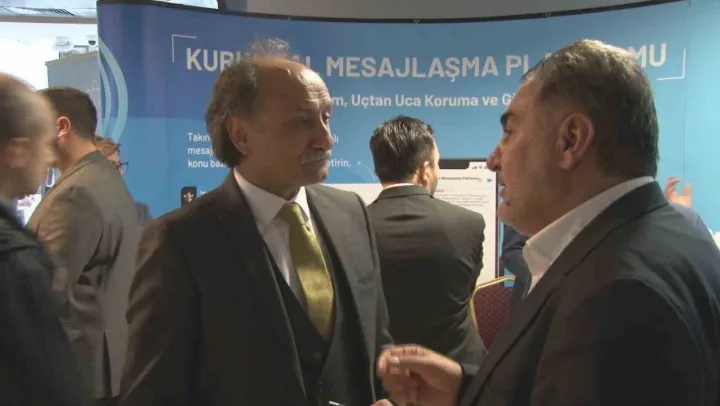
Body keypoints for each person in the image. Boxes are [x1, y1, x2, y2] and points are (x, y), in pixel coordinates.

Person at [373, 39, 720, 406]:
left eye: (509, 133)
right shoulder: (680, 238)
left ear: (570, 140)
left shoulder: (615, 299)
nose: (493, 160)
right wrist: (465, 392)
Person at [120, 56, 392, 406]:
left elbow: (377, 343)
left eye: (326, 118)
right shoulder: (180, 241)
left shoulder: (351, 214)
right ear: (241, 135)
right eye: (302, 121)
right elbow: (151, 394)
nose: (325, 140)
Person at [27, 86, 141, 405]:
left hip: (81, 373)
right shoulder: (103, 176)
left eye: (34, 128)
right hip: (102, 369)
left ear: (61, 127)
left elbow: (46, 289)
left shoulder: (76, 193)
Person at [367, 115, 486, 366]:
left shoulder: (352, 226)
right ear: (425, 170)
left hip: (385, 371)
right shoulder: (469, 223)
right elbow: (465, 291)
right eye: (437, 164)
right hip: (459, 370)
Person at [0, 74, 86, 405]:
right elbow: (47, 383)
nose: (51, 158)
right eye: (46, 145)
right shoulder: (16, 259)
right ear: (17, 151)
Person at [94, 135, 153, 225]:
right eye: (112, 166)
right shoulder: (78, 217)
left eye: (120, 165)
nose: (121, 172)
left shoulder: (140, 214)